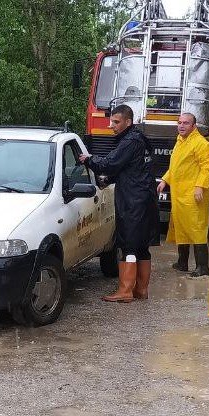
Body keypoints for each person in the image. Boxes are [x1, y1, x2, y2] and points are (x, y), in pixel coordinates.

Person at [80, 104, 157, 302]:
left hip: (133, 201)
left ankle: (125, 291)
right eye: (111, 121)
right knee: (142, 247)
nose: (110, 125)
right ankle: (141, 290)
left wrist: (88, 160)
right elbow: (132, 169)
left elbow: (110, 164)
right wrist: (110, 179)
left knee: (129, 246)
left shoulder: (129, 142)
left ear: (128, 122)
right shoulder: (141, 139)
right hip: (146, 199)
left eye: (116, 122)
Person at [156, 112, 209, 276]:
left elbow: (207, 168)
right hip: (179, 192)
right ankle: (182, 262)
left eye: (186, 123)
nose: (181, 126)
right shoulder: (180, 141)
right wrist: (165, 180)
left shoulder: (202, 144)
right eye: (179, 122)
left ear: (193, 126)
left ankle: (202, 267)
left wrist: (200, 187)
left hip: (193, 194)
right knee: (181, 227)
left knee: (196, 228)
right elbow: (175, 165)